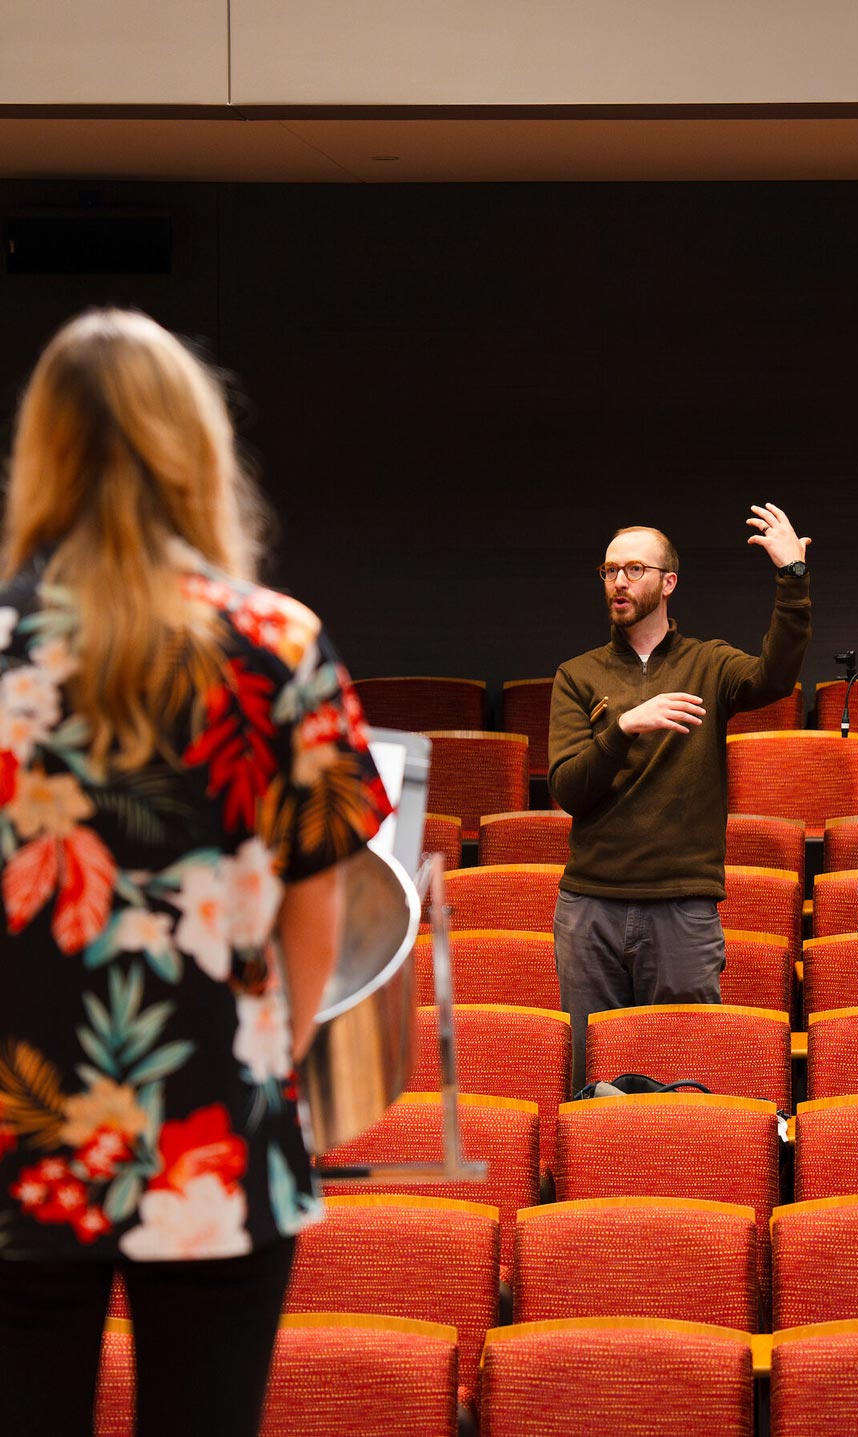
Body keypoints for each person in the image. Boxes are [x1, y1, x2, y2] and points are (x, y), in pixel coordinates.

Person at [0, 309, 391, 1437]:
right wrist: (268, 1064)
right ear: (194, 449)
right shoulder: (277, 644)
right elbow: (322, 910)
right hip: (216, 1132)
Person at [548, 507, 811, 1089]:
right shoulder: (577, 675)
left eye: (634, 569)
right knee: (594, 1086)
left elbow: (776, 677)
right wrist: (622, 728)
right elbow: (568, 789)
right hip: (591, 906)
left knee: (685, 1079)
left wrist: (792, 577)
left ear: (668, 583)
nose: (619, 581)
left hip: (682, 908)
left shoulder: (709, 663)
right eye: (610, 570)